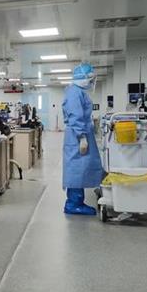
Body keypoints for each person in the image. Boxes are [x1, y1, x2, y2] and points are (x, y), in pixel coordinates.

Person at [62, 63, 104, 215]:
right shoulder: (74, 93)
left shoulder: (78, 92)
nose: (92, 82)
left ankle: (77, 202)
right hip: (77, 136)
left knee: (81, 167)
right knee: (76, 169)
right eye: (90, 78)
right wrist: (81, 137)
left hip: (81, 134)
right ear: (84, 78)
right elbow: (76, 116)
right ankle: (73, 204)